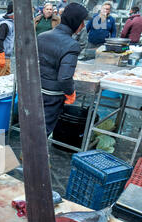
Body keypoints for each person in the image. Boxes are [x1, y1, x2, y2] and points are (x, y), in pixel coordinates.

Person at [37, 2, 88, 136]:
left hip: (35, 91)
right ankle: (32, 156)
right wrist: (71, 93)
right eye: (82, 22)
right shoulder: (72, 45)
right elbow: (64, 78)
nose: (83, 25)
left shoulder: (42, 36)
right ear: (76, 23)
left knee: (32, 125)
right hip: (52, 96)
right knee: (43, 131)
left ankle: (26, 154)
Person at [0, 1, 14, 78]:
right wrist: (1, 56)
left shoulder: (10, 23)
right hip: (2, 56)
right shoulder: (5, 24)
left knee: (6, 77)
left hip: (6, 56)